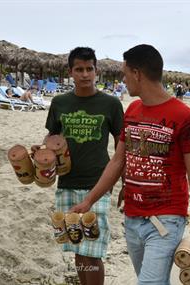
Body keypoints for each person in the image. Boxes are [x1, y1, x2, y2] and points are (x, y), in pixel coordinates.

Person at [71, 44, 190, 284]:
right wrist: (88, 201)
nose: (123, 79)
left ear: (137, 73)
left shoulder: (185, 117)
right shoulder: (134, 109)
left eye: (125, 74)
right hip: (133, 218)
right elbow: (117, 162)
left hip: (165, 221)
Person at [32, 47, 124, 285]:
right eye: (79, 69)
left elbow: (122, 147)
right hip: (67, 181)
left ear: (97, 71)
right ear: (70, 72)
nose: (85, 74)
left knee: (92, 252)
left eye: (89, 69)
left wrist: (125, 182)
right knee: (77, 247)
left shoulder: (111, 104)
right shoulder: (60, 102)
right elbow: (52, 138)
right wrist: (42, 153)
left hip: (99, 183)